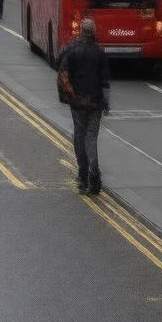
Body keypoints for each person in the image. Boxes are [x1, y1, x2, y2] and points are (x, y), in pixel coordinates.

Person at [58, 18, 111, 195]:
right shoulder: (99, 52)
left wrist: (70, 96)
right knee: (91, 137)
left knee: (79, 136)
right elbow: (105, 81)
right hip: (95, 102)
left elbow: (62, 68)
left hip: (78, 102)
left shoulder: (72, 50)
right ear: (94, 32)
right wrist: (106, 102)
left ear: (81, 31)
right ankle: (94, 174)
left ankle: (83, 176)